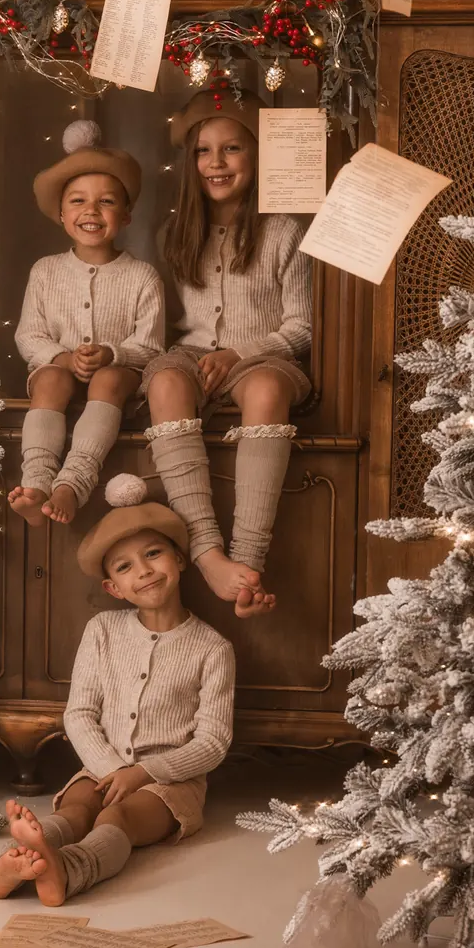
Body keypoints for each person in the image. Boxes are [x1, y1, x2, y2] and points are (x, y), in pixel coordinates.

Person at [0, 474, 235, 905]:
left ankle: (69, 870)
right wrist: (111, 768)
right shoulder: (101, 629)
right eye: (125, 567)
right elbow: (79, 713)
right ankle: (16, 860)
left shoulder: (213, 648)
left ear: (179, 559)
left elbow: (213, 742)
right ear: (112, 588)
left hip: (170, 782)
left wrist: (143, 774)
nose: (144, 571)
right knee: (77, 808)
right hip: (101, 770)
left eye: (153, 554)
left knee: (118, 817)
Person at [143, 88, 311, 620]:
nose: (216, 163)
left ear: (257, 155)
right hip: (191, 355)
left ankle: (246, 562)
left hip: (264, 356)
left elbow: (301, 326)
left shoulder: (284, 232)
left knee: (267, 388)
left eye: (232, 148)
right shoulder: (174, 233)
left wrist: (240, 353)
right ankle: (206, 551)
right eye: (203, 151)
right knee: (165, 382)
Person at [10, 120, 165, 528]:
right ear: (62, 214)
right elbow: (29, 335)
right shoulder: (45, 271)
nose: (91, 211)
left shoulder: (143, 276)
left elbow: (150, 346)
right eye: (78, 201)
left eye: (106, 202)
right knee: (49, 380)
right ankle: (37, 482)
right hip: (59, 370)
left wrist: (112, 355)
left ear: (126, 215)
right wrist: (62, 358)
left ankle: (73, 482)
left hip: (119, 377)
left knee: (107, 380)